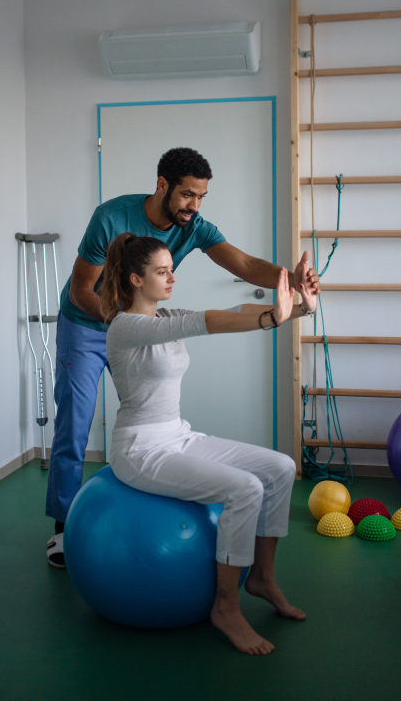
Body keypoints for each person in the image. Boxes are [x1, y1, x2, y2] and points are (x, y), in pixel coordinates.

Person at [46, 147, 316, 568]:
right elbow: (83, 286)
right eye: (188, 194)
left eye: (202, 196)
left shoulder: (194, 227)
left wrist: (291, 280)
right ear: (162, 186)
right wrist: (121, 326)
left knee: (149, 403)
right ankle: (62, 528)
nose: (194, 205)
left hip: (134, 322)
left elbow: (243, 263)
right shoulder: (110, 217)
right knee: (75, 424)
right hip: (86, 321)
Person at [101, 232, 320, 655]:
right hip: (140, 449)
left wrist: (300, 307)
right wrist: (276, 317)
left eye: (171, 270)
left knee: (279, 468)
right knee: (245, 489)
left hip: (178, 435)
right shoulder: (125, 326)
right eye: (161, 272)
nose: (171, 279)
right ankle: (226, 608)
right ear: (133, 279)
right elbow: (209, 321)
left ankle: (262, 577)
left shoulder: (167, 316)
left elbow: (235, 310)